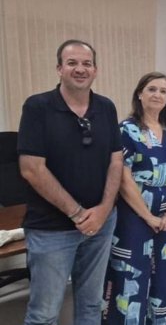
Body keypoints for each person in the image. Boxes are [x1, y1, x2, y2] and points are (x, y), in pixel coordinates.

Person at [17, 39, 123, 325]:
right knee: (44, 313)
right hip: (52, 229)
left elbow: (116, 161)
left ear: (95, 70)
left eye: (86, 63)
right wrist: (77, 213)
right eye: (72, 63)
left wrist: (103, 209)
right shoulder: (38, 107)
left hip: (100, 225)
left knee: (91, 305)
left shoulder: (106, 108)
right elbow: (31, 169)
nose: (80, 69)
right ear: (59, 68)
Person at [102, 72, 166, 324]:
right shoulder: (125, 130)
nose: (157, 95)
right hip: (134, 216)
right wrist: (147, 215)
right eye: (152, 89)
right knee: (130, 278)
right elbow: (123, 178)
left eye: (163, 91)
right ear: (140, 94)